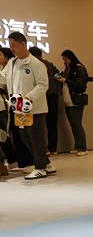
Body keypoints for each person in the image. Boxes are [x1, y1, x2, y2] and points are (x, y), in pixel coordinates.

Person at [0, 32, 55, 180]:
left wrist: (28, 97)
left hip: (34, 107)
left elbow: (43, 85)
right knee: (25, 137)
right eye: (10, 46)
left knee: (36, 137)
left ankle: (40, 168)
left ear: (23, 44)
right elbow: (4, 78)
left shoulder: (36, 64)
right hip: (18, 106)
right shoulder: (12, 63)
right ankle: (46, 164)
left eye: (14, 45)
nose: (12, 49)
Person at [29, 46, 61, 156]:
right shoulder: (49, 64)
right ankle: (53, 149)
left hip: (41, 96)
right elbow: (58, 74)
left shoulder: (33, 64)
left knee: (39, 124)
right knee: (52, 123)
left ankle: (43, 149)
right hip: (53, 94)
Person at [58, 50, 89, 156]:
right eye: (64, 59)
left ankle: (83, 147)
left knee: (77, 124)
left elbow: (80, 84)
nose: (65, 61)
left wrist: (66, 80)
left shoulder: (79, 68)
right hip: (68, 100)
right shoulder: (67, 68)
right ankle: (77, 146)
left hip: (76, 100)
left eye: (66, 59)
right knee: (73, 125)